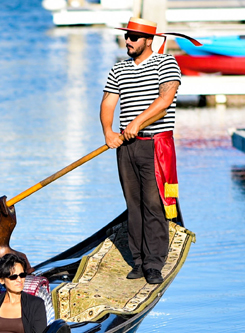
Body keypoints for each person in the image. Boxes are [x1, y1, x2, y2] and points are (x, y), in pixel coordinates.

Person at [100, 17, 195, 286]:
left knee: (154, 204)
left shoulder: (166, 63)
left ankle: (154, 264)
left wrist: (137, 123)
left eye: (133, 37)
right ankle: (139, 261)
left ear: (148, 40)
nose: (127, 41)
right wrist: (109, 132)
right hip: (126, 147)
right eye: (126, 36)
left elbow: (164, 101)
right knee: (134, 205)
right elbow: (108, 102)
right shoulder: (118, 69)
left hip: (156, 144)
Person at [0, 253, 47, 333]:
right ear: (1, 279)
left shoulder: (36, 304)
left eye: (22, 275)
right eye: (13, 277)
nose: (19, 280)